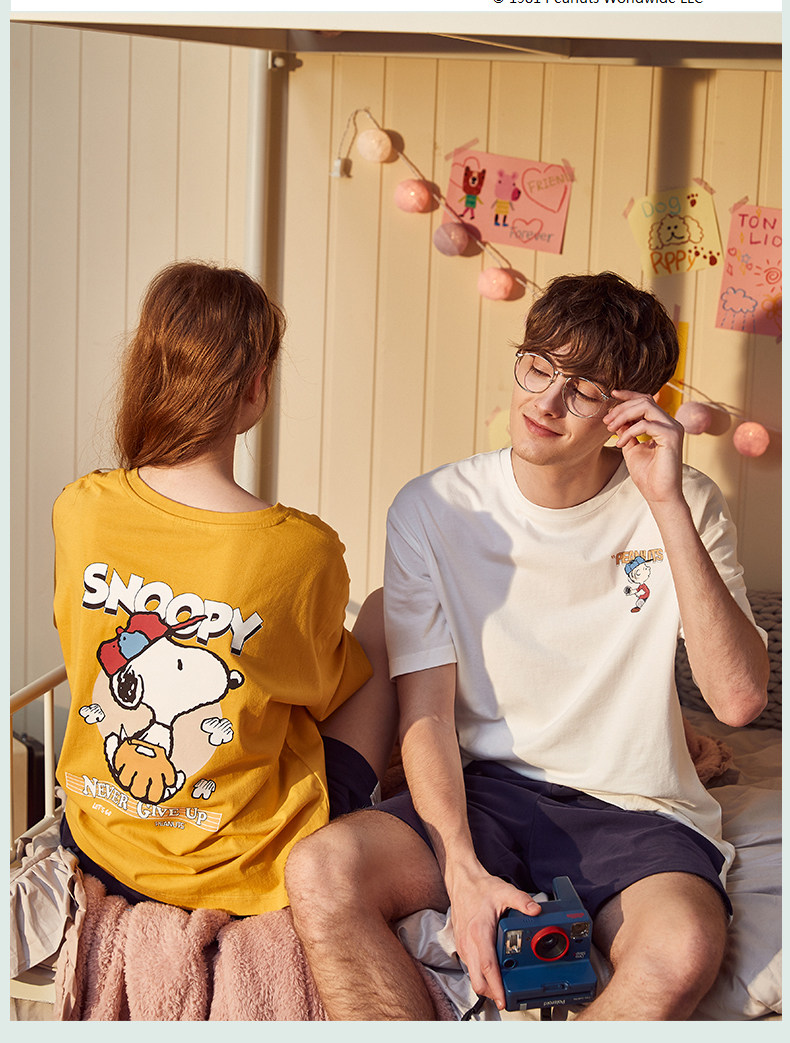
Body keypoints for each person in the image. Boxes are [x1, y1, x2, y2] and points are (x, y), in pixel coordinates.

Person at [284, 271, 769, 1020]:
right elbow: (428, 713)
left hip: (638, 808)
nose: (545, 401)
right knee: (321, 869)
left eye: (585, 390)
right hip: (488, 793)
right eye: (538, 367)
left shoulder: (686, 500)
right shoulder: (432, 509)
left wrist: (666, 502)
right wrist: (460, 864)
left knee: (682, 948)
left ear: (632, 409)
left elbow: (737, 700)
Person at [53, 260, 396, 917]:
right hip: (248, 863)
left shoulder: (79, 509)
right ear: (256, 386)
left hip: (101, 841)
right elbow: (323, 695)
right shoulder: (303, 550)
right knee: (382, 614)